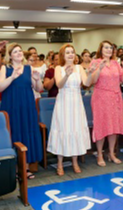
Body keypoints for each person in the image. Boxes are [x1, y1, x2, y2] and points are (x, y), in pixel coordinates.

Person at [0, 43, 44, 178]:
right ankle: (15, 168)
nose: (19, 53)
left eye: (20, 51)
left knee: (27, 133)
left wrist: (37, 80)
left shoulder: (29, 68)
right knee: (14, 133)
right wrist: (12, 78)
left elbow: (38, 88)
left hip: (27, 106)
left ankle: (26, 168)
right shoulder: (6, 68)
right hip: (12, 105)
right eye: (15, 51)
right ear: (10, 56)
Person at [47, 44, 93, 175]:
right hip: (63, 103)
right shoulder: (58, 68)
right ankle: (60, 164)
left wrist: (90, 73)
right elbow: (59, 85)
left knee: (75, 129)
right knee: (64, 129)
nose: (71, 54)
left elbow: (86, 83)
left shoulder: (79, 68)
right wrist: (66, 75)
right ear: (63, 55)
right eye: (67, 52)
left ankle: (75, 162)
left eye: (72, 52)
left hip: (76, 103)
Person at [89, 41, 123, 167]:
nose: (108, 50)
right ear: (101, 49)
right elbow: (93, 81)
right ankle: (100, 154)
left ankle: (111, 153)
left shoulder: (115, 63)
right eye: (106, 47)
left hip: (115, 97)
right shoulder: (95, 62)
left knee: (114, 127)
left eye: (110, 48)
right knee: (101, 126)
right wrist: (99, 69)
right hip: (101, 97)